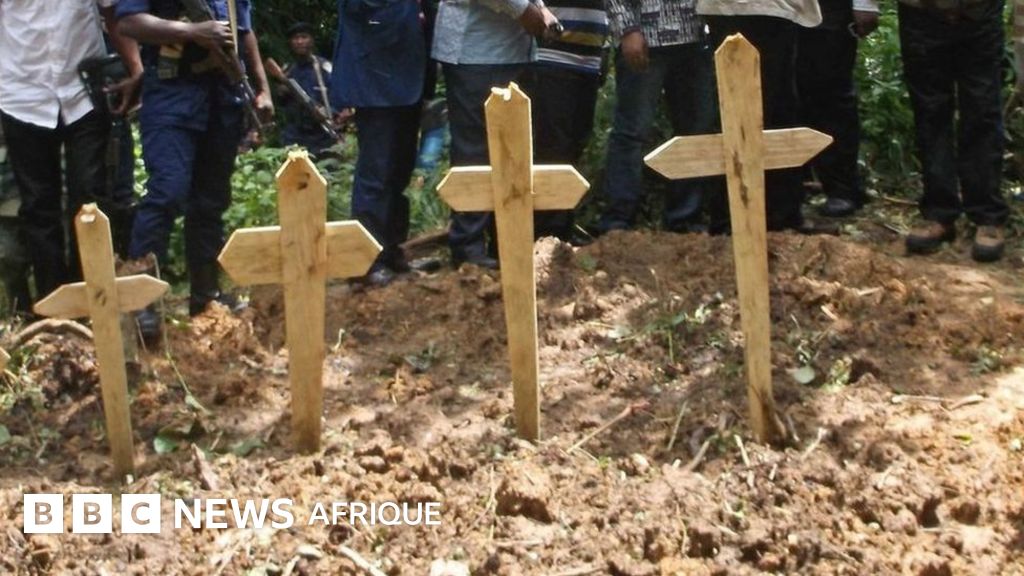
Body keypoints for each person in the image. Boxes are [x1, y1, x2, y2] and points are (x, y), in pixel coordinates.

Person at [115, 0, 274, 339]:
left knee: (211, 200)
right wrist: (191, 32)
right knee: (167, 191)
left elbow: (244, 30)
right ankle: (141, 301)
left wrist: (263, 88)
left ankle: (206, 296)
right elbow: (129, 22)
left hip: (224, 96)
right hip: (172, 94)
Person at [0, 0, 142, 303]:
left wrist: (135, 65)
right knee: (38, 205)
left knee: (90, 199)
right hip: (21, 94)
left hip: (83, 90)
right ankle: (54, 305)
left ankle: (92, 300)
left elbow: (112, 12)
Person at [432, 0, 557, 269]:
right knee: (475, 153)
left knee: (513, 154)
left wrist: (540, 8)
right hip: (475, 52)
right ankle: (468, 251)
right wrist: (524, 10)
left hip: (514, 52)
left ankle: (506, 245)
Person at [698, 0, 830, 234]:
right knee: (745, 112)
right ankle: (736, 217)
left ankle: (778, 213)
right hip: (747, 10)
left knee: (777, 111)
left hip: (771, 11)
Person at [899, 0, 1008, 262]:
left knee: (982, 110)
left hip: (979, 13)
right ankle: (939, 212)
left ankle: (987, 215)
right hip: (920, 14)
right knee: (929, 112)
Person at [331, 0, 427, 286]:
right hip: (375, 70)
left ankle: (391, 249)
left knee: (399, 169)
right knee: (376, 172)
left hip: (408, 71)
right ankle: (365, 261)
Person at [599, 0, 717, 235]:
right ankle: (617, 222)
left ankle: (685, 220)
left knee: (695, 133)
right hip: (644, 35)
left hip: (696, 36)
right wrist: (627, 29)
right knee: (632, 133)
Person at [518, 0, 608, 243]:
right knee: (552, 146)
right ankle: (546, 231)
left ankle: (562, 225)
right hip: (553, 55)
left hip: (590, 58)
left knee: (576, 144)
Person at [796, 0, 879, 218]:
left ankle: (843, 188)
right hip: (781, 10)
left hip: (831, 9)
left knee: (832, 91)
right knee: (791, 91)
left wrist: (865, 4)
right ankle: (798, 180)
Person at [276, 21, 337, 158]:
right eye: (296, 38)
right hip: (294, 135)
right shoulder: (287, 70)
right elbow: (280, 104)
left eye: (304, 37)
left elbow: (338, 96)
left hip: (322, 135)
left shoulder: (324, 68)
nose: (300, 42)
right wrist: (282, 92)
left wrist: (328, 112)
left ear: (312, 40)